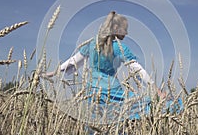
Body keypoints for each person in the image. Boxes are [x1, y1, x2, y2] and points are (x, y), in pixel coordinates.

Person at [42, 11, 171, 120]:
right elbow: (138, 70)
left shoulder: (92, 44)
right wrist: (157, 91)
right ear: (117, 29)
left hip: (91, 91)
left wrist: (53, 73)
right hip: (113, 91)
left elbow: (73, 61)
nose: (127, 32)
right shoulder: (121, 48)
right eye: (125, 29)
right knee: (141, 107)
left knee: (95, 124)